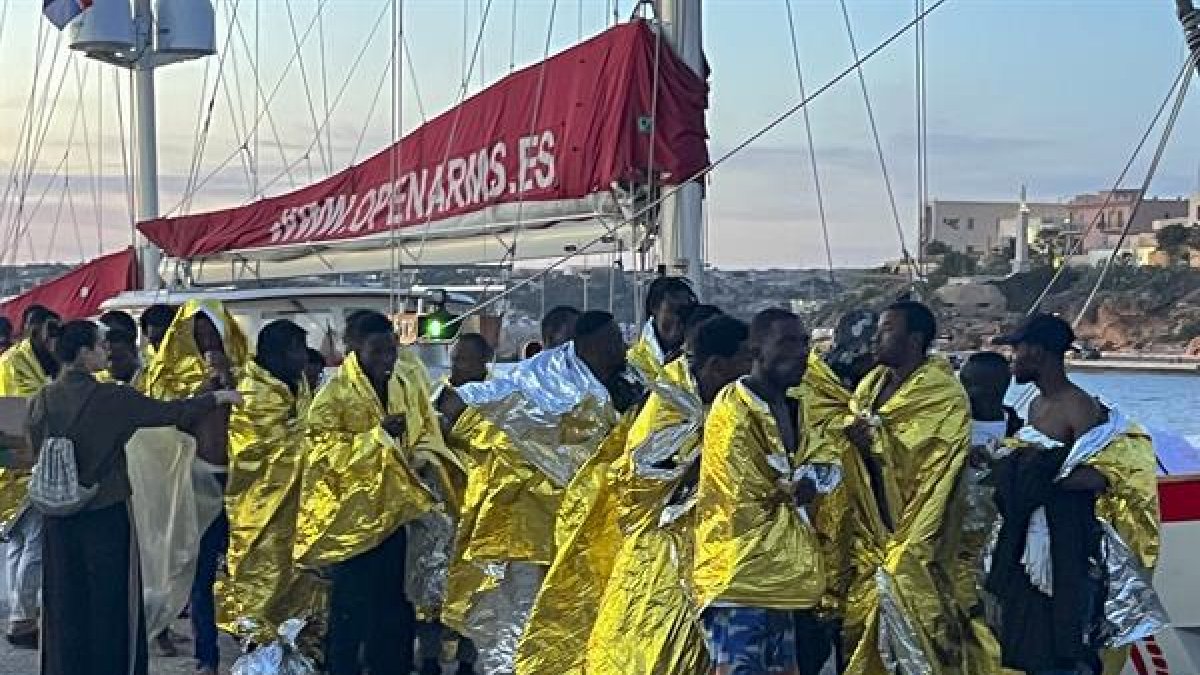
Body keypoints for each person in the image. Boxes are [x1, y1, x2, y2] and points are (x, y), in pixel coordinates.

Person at [28, 319, 240, 675]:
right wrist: (218, 396)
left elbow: (36, 446)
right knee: (113, 605)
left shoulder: (43, 399)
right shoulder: (112, 398)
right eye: (100, 346)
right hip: (105, 512)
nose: (106, 352)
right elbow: (172, 413)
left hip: (57, 517)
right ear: (83, 353)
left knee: (64, 602)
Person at [440, 311, 635, 675]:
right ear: (590, 345)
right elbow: (457, 403)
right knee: (523, 616)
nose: (621, 350)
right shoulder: (542, 380)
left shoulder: (622, 384)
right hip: (526, 530)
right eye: (613, 343)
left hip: (580, 529)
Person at [986, 314, 1161, 675]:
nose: (1012, 358)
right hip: (1027, 534)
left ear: (1037, 351)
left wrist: (1039, 475)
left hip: (1064, 542)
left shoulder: (1077, 405)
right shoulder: (1036, 406)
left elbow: (1099, 474)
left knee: (1057, 638)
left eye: (1016, 349)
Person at [587, 314, 752, 674]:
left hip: (714, 556)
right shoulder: (671, 405)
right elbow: (639, 483)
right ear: (717, 366)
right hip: (663, 558)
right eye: (747, 361)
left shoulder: (730, 406)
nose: (755, 370)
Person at [294, 310, 447, 675]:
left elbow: (426, 430)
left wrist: (422, 458)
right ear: (355, 349)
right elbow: (321, 454)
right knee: (351, 606)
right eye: (377, 351)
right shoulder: (334, 394)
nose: (386, 359)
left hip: (395, 516)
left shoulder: (405, 385)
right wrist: (377, 437)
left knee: (394, 602)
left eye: (391, 350)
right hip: (353, 523)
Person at [691, 308, 834, 675]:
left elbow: (824, 460)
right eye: (786, 342)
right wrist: (798, 486)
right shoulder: (733, 406)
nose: (800, 352)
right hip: (740, 581)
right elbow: (742, 490)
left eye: (804, 343)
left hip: (783, 580)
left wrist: (813, 479)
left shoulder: (797, 406)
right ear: (755, 349)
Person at [840, 301, 973, 675]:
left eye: (887, 330)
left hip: (914, 529)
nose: (877, 338)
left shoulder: (943, 395)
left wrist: (876, 444)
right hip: (869, 531)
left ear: (914, 339)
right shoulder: (870, 386)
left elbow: (934, 465)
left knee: (917, 620)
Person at [141, 300, 249, 675]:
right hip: (195, 481)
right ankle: (207, 656)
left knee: (246, 569)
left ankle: (255, 645)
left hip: (241, 483)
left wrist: (231, 380)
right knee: (200, 573)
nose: (206, 340)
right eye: (197, 333)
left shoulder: (248, 371)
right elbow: (166, 423)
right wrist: (209, 389)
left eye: (211, 332)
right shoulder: (170, 376)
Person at [218, 320, 327, 647]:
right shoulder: (252, 394)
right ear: (277, 354)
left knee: (299, 589)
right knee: (261, 588)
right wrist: (320, 438)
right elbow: (259, 453)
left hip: (296, 511)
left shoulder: (296, 385)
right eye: (296, 350)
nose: (303, 358)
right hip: (262, 513)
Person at [0, 304, 61, 648]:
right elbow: (25, 409)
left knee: (19, 544)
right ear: (35, 330)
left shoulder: (26, 361)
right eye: (50, 334)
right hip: (21, 461)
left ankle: (20, 613)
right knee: (34, 542)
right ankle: (23, 620)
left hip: (18, 458)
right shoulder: (14, 363)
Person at [628, 276, 699, 382]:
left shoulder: (699, 356)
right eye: (673, 310)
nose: (679, 318)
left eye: (686, 311)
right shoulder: (634, 362)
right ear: (654, 308)